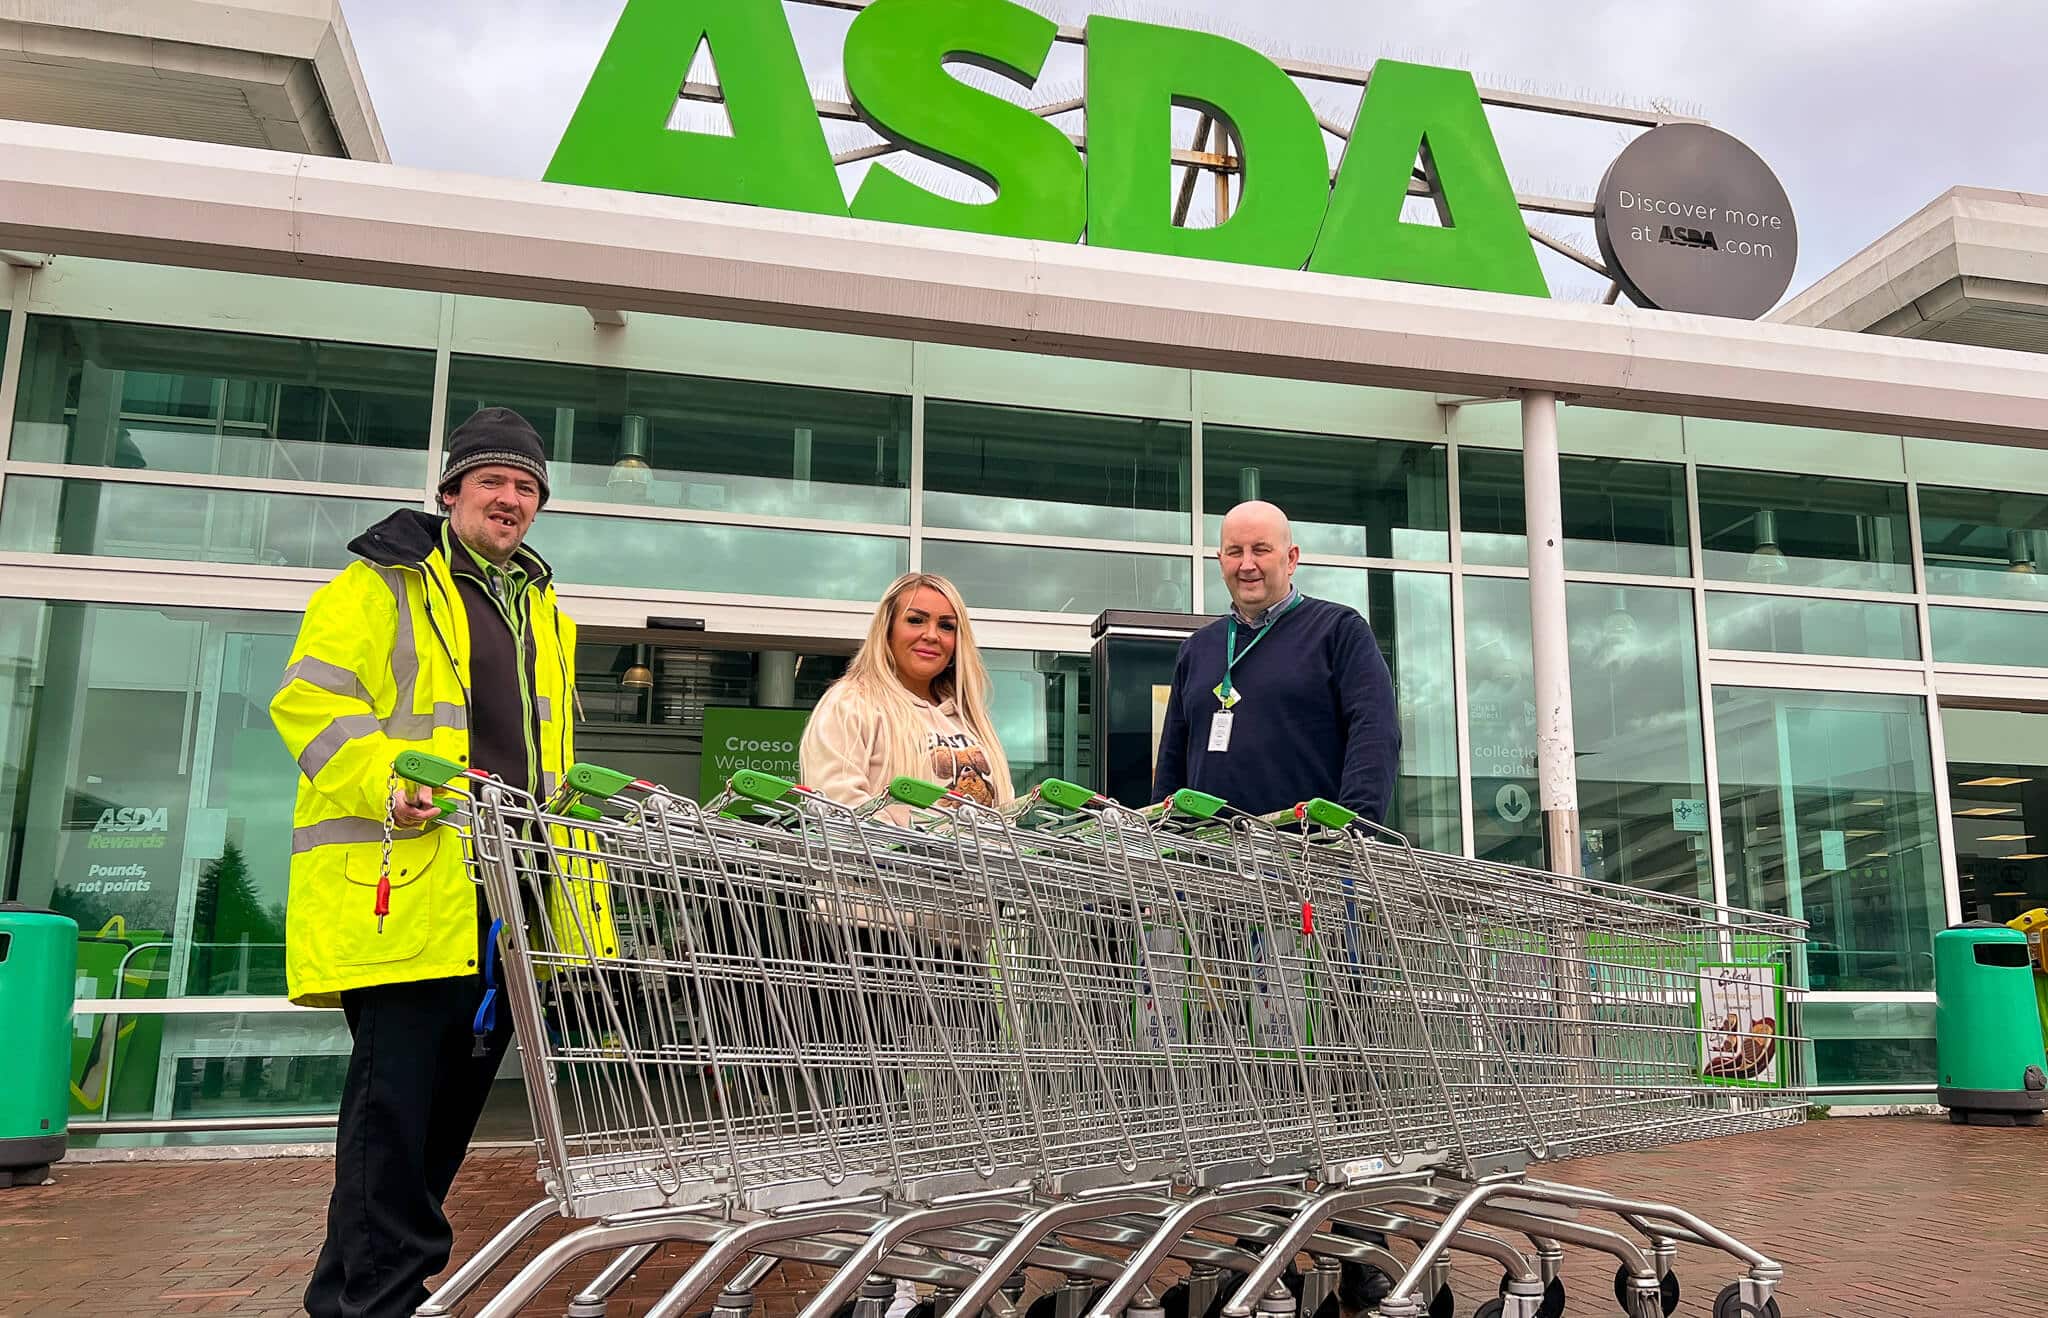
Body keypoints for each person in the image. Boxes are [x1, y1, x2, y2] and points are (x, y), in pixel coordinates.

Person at [274, 407, 612, 1318]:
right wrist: (387, 779)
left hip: (511, 897)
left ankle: (352, 1294)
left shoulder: (543, 610)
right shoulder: (376, 585)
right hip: (411, 887)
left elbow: (545, 762)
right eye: (494, 480)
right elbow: (310, 706)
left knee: (446, 1116)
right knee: (394, 1115)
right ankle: (383, 1295)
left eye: (528, 486)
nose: (511, 499)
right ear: (452, 489)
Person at [1153, 500, 1400, 822]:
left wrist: (1353, 828)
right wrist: (1163, 829)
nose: (1247, 565)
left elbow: (1375, 733)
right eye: (1235, 552)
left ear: (1291, 558)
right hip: (1211, 858)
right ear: (1220, 560)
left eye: (1261, 549)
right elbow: (1173, 755)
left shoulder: (1338, 631)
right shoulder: (1197, 649)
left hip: (1308, 856)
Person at [801, 571, 1015, 812]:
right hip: (890, 851)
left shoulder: (970, 718)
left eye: (946, 626)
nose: (932, 635)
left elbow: (1003, 814)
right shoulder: (850, 703)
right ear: (887, 630)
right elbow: (838, 809)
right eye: (916, 620)